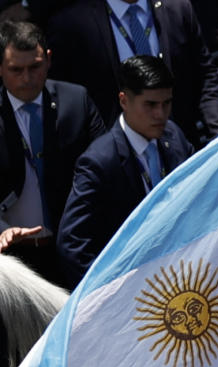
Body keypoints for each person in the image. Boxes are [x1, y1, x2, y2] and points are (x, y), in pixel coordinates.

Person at [57, 54, 192, 287]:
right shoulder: (99, 161)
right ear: (124, 101)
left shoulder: (175, 138)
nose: (160, 114)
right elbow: (72, 242)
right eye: (150, 105)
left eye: (166, 103)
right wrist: (107, 294)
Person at [0, 21, 105, 285]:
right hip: (13, 258)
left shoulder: (76, 101)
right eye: (16, 70)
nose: (27, 78)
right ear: (0, 68)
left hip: (74, 248)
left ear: (48, 60)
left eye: (34, 67)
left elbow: (105, 169)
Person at [45, 0, 218, 148]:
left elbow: (206, 76)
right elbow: (65, 98)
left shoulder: (178, 9)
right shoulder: (72, 23)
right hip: (118, 163)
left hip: (179, 150)